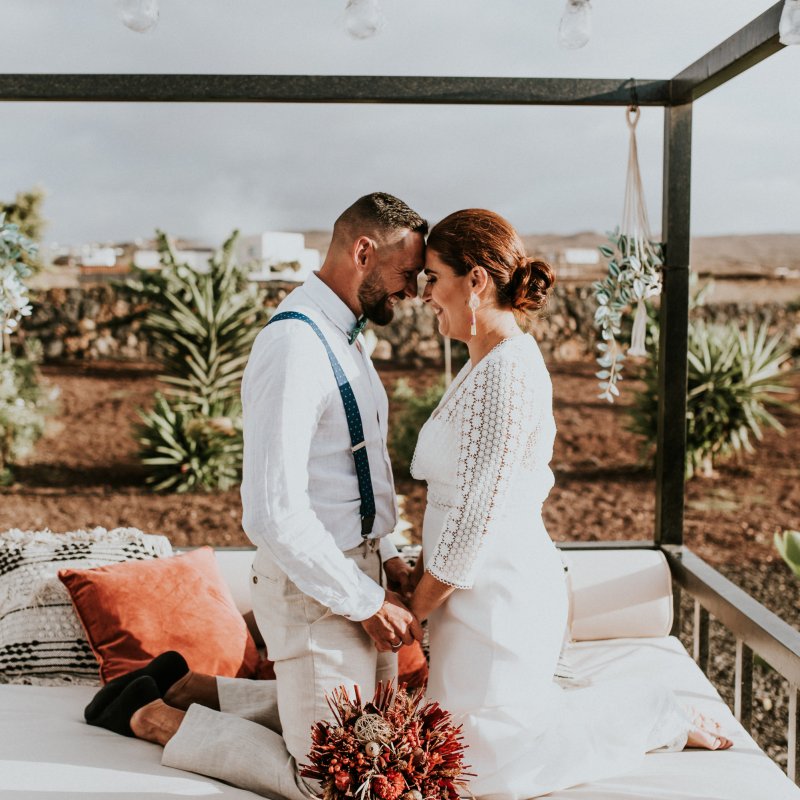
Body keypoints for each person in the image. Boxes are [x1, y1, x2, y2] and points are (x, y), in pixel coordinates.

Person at [84, 192, 427, 800]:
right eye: (407, 274)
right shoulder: (295, 345)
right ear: (363, 251)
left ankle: (192, 689)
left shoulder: (347, 338)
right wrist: (362, 601)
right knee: (334, 778)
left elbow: (360, 468)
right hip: (319, 588)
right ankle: (152, 716)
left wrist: (391, 552)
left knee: (375, 738)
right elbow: (271, 509)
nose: (413, 290)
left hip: (361, 570)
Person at [405, 208, 733, 799]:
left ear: (475, 281)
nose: (425, 294)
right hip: (469, 592)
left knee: (491, 767)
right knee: (458, 747)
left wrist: (416, 605)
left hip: (495, 589)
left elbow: (477, 512)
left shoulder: (507, 372)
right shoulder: (484, 363)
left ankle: (657, 713)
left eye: (433, 277)